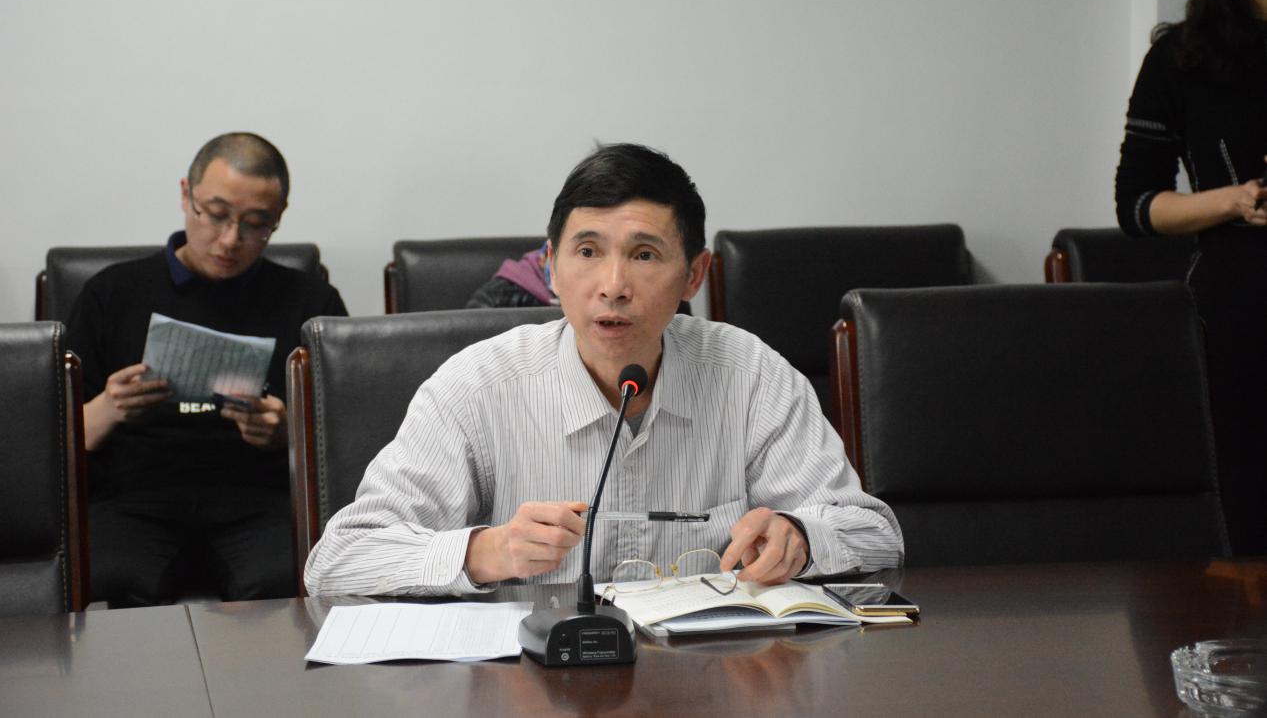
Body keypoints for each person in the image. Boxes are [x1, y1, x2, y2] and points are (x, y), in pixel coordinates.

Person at [305, 143, 902, 597]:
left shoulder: (752, 376)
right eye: (588, 252)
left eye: (644, 255)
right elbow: (338, 560)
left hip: (705, 682)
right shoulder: (477, 386)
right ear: (551, 266)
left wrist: (800, 536)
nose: (613, 286)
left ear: (694, 275)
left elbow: (875, 533)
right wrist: (488, 552)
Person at [67, 132, 348, 606]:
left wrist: (288, 432)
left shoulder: (311, 303)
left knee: (286, 586)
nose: (230, 240)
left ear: (278, 217)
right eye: (215, 215)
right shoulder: (111, 293)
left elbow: (349, 439)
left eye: (255, 224)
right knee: (113, 582)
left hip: (260, 500)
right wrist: (109, 408)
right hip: (135, 497)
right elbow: (51, 442)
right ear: (186, 194)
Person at [1114, 0, 1267, 555]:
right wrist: (1236, 199)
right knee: (1242, 509)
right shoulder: (1180, 57)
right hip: (1237, 304)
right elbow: (1137, 205)